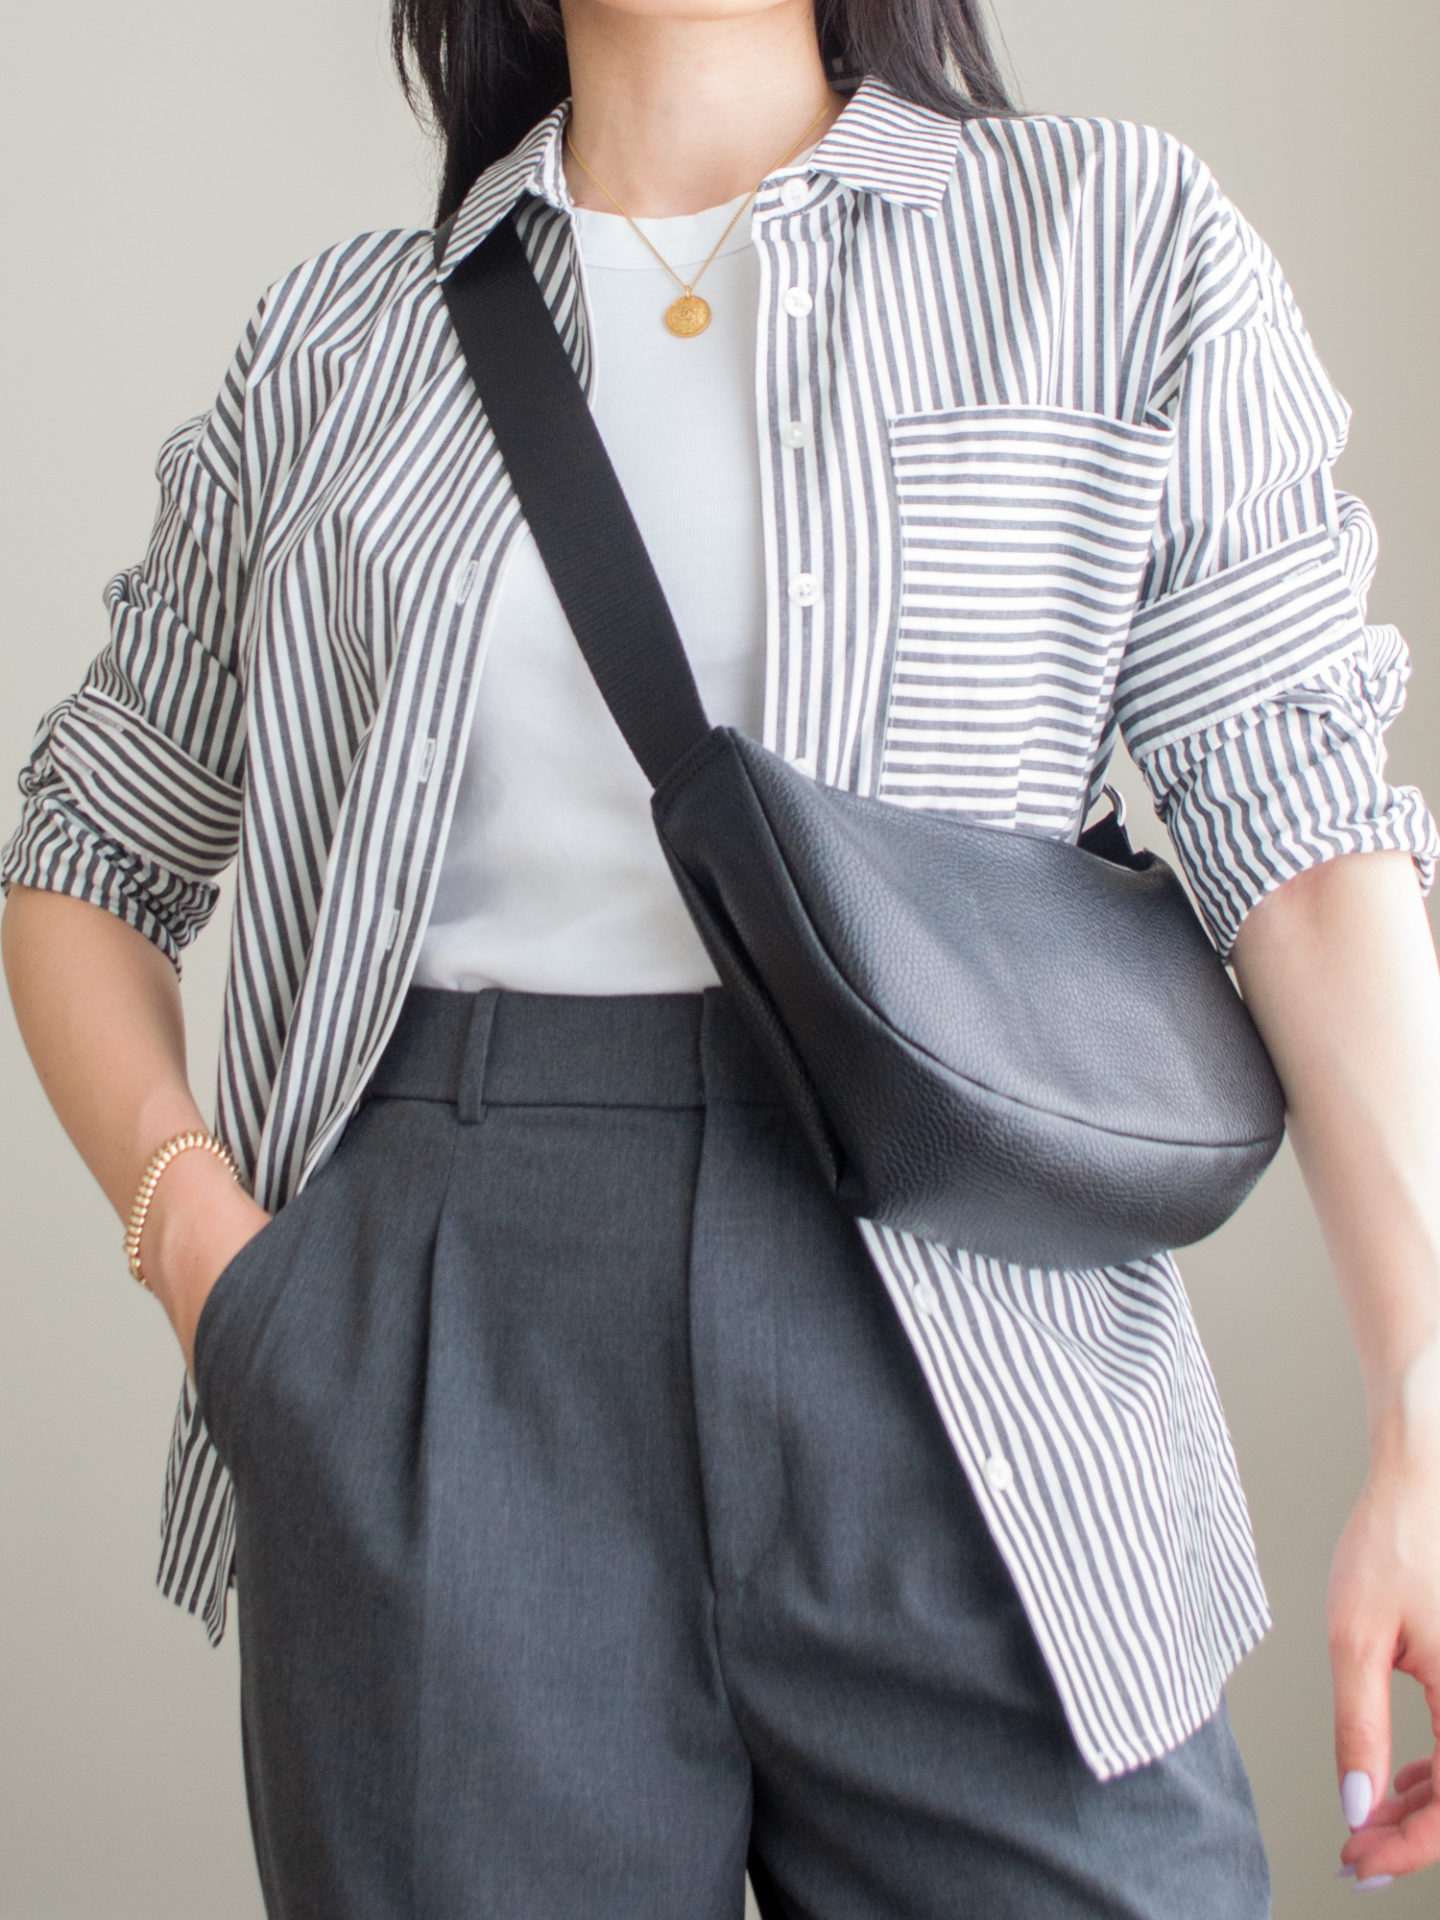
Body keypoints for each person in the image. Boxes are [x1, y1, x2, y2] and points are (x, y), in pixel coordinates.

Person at [4, 0, 1439, 1911]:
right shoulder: (336, 345)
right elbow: (83, 848)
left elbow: (1309, 832)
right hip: (445, 1357)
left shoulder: (1112, 240)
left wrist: (1427, 1411)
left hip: (983, 1357)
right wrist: (222, 1277)